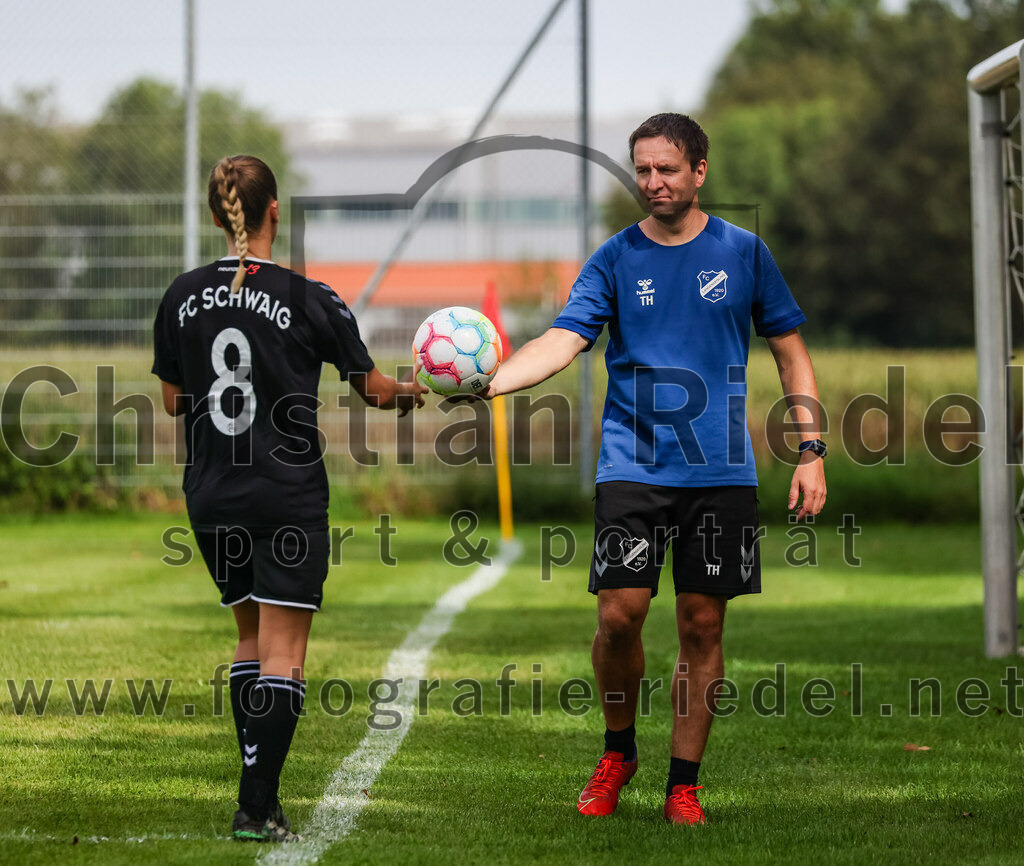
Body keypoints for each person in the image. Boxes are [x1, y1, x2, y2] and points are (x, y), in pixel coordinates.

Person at [484, 114, 826, 824]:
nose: (652, 183)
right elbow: (562, 340)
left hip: (720, 471)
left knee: (702, 625)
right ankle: (618, 752)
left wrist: (811, 450)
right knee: (619, 616)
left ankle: (683, 785)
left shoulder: (746, 252)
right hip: (632, 464)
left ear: (700, 170)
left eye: (667, 169)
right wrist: (494, 380)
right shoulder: (613, 258)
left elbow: (790, 352)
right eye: (642, 170)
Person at [152, 155, 426, 842]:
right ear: (276, 210)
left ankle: (261, 801)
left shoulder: (181, 296)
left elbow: (173, 399)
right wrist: (416, 390)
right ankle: (254, 807)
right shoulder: (311, 298)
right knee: (285, 653)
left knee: (249, 639)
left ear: (218, 216)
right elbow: (370, 388)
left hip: (211, 491)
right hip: (286, 494)